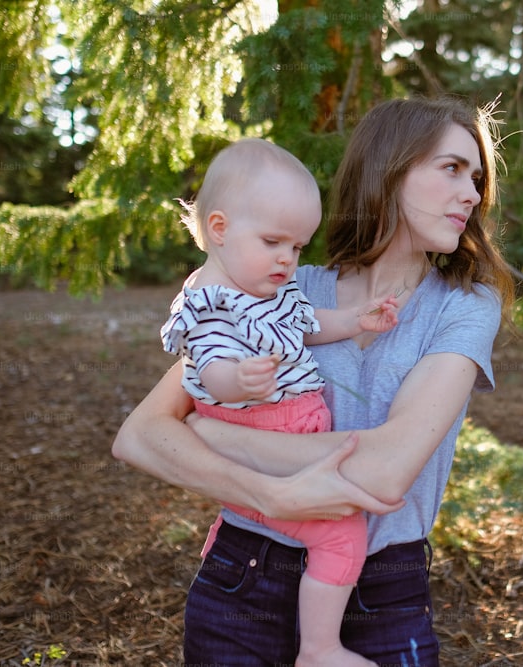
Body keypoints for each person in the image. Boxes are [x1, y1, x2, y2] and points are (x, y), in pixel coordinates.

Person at [113, 96, 517, 666]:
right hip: (244, 578)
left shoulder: (464, 306)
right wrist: (269, 493)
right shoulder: (278, 285)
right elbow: (139, 435)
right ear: (390, 169)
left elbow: (384, 471)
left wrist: (216, 435)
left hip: (383, 591)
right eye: (451, 168)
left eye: (476, 178)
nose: (472, 194)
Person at [160, 138, 399, 667]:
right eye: (273, 241)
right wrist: (238, 382)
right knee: (341, 539)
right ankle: (319, 649)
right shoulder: (211, 300)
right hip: (263, 440)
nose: (287, 259)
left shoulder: (272, 291)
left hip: (292, 435)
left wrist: (357, 319)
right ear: (218, 229)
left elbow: (309, 327)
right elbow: (209, 369)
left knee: (343, 516)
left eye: (297, 247)